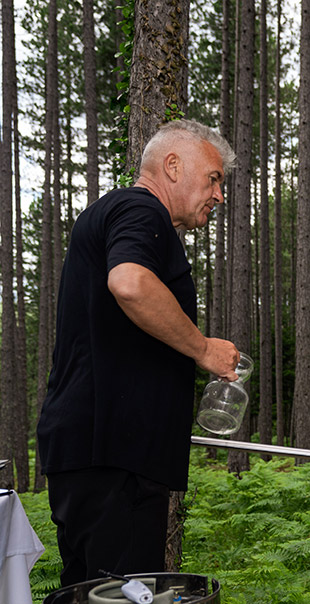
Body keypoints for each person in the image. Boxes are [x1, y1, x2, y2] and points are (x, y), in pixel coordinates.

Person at [36, 119, 241, 587]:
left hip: (94, 452)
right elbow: (129, 283)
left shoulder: (115, 212)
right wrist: (203, 349)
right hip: (113, 456)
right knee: (124, 595)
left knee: (90, 591)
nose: (219, 195)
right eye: (213, 179)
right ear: (173, 166)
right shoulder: (141, 209)